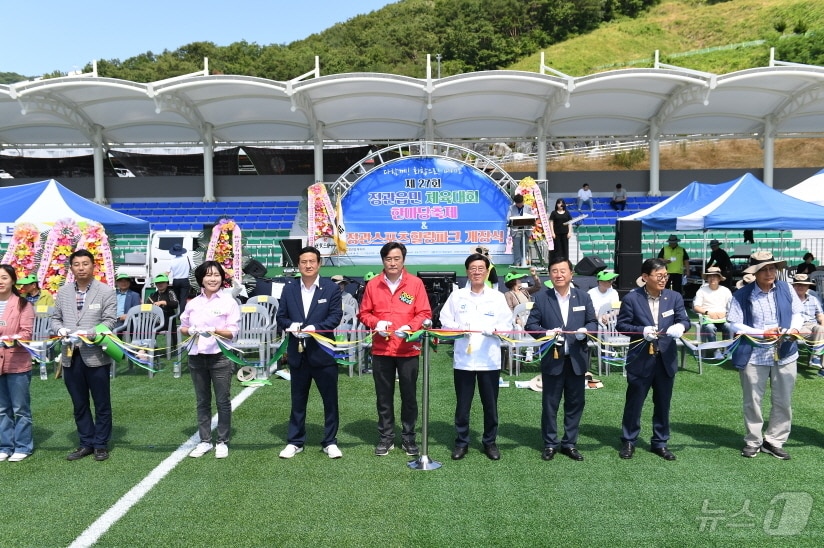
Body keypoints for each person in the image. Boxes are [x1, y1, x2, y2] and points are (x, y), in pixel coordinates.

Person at [358, 242, 432, 457]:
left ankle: (409, 438)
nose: (392, 263)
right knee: (383, 396)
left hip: (408, 349)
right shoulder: (373, 285)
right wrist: (376, 323)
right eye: (388, 259)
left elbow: (425, 313)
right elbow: (364, 313)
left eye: (396, 258)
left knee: (409, 396)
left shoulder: (415, 284)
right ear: (383, 261)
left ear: (403, 260)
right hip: (382, 349)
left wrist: (410, 327)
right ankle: (386, 437)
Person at [728, 251, 802, 460]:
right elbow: (734, 323)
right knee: (752, 400)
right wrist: (761, 333)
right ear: (754, 273)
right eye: (764, 269)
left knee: (783, 399)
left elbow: (798, 312)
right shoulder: (742, 295)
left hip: (785, 352)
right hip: (753, 354)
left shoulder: (787, 288)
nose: (769, 273)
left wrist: (794, 329)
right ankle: (753, 440)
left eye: (772, 268)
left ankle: (774, 441)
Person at [439, 253, 512, 461]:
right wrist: (459, 328)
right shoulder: (457, 296)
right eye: (473, 268)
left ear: (487, 271)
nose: (477, 272)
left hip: (489, 359)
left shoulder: (497, 297)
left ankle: (490, 442)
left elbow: (508, 326)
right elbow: (445, 322)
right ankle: (462, 442)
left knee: (490, 404)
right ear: (467, 272)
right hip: (464, 360)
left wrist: (496, 329)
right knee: (463, 404)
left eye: (481, 268)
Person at [616, 258, 691, 461]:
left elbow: (684, 319)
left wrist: (681, 327)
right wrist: (641, 331)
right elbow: (621, 325)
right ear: (645, 277)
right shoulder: (632, 299)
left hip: (665, 358)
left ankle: (660, 442)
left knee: (663, 403)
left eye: (665, 275)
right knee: (635, 402)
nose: (663, 279)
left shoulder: (674, 297)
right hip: (640, 358)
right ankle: (629, 440)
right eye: (659, 276)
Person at [525, 258, 597, 461]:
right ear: (550, 274)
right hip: (553, 359)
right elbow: (531, 325)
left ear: (571, 274)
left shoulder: (583, 297)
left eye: (563, 271)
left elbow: (593, 322)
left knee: (575, 403)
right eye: (554, 271)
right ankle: (550, 443)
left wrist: (586, 331)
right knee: (550, 404)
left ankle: (570, 443)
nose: (559, 275)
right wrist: (547, 333)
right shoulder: (541, 298)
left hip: (576, 359)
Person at [276, 247, 344, 459]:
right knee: (298, 400)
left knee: (330, 400)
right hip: (298, 354)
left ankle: (330, 441)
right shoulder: (289, 289)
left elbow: (335, 317)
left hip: (323, 353)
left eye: (312, 261)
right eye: (303, 261)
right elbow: (281, 317)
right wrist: (292, 325)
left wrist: (317, 328)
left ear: (319, 263)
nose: (308, 265)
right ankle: (295, 441)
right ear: (298, 265)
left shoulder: (330, 288)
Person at [51, 249, 117, 461]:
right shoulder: (63, 292)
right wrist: (59, 329)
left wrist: (90, 332)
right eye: (76, 264)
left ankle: (100, 444)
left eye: (85, 263)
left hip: (96, 354)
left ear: (93, 266)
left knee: (101, 402)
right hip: (71, 354)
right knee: (79, 403)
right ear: (71, 268)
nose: (81, 268)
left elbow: (110, 321)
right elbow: (55, 318)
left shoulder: (106, 291)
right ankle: (85, 442)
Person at [180, 260, 240, 459]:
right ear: (201, 279)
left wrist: (214, 331)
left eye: (216, 275)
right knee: (202, 401)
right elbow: (183, 327)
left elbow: (232, 332)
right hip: (196, 357)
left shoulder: (228, 302)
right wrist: (191, 330)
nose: (212, 279)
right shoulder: (193, 303)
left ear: (222, 278)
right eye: (208, 275)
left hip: (220, 356)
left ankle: (222, 440)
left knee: (223, 400)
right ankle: (205, 440)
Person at [0, 265, 35, 462]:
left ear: (13, 280)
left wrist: (11, 338)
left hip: (17, 362)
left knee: (20, 408)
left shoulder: (23, 305)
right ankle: (5, 445)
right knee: (1, 408)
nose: (1, 281)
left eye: (4, 277)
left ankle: (23, 446)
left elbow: (26, 333)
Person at [692, 267, 733, 359]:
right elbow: (696, 307)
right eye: (710, 276)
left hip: (723, 318)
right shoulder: (701, 290)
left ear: (719, 279)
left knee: (729, 327)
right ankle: (716, 350)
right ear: (707, 278)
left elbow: (731, 307)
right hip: (707, 318)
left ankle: (728, 350)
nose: (712, 278)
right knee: (710, 327)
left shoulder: (726, 291)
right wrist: (708, 312)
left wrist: (726, 314)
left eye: (715, 276)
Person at [790, 273, 824, 369]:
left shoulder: (813, 299)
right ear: (794, 286)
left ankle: (817, 359)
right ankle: (816, 359)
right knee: (820, 332)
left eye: (804, 285)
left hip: (812, 325)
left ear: (808, 286)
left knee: (821, 329)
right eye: (798, 284)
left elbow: (821, 316)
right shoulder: (789, 299)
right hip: (797, 326)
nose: (801, 287)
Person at [146, 273, 179, 346]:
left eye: (162, 282)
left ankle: (152, 348)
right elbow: (147, 306)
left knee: (152, 327)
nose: (160, 284)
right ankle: (148, 347)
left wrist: (163, 302)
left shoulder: (170, 292)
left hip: (167, 319)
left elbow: (175, 304)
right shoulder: (153, 295)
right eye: (158, 283)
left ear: (167, 283)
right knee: (146, 326)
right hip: (154, 320)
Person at [508, 194, 534, 267]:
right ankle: (517, 262)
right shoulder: (511, 208)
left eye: (520, 203)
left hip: (526, 229)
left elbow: (532, 217)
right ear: (515, 203)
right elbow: (508, 218)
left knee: (525, 246)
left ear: (523, 201)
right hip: (516, 230)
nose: (519, 205)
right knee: (516, 246)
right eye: (517, 203)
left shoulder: (528, 208)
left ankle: (524, 261)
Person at [168, 243, 191, 313]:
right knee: (183, 298)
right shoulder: (187, 259)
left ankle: (178, 312)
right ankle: (181, 314)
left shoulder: (172, 260)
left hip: (176, 281)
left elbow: (167, 272)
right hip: (185, 280)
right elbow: (192, 268)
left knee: (177, 298)